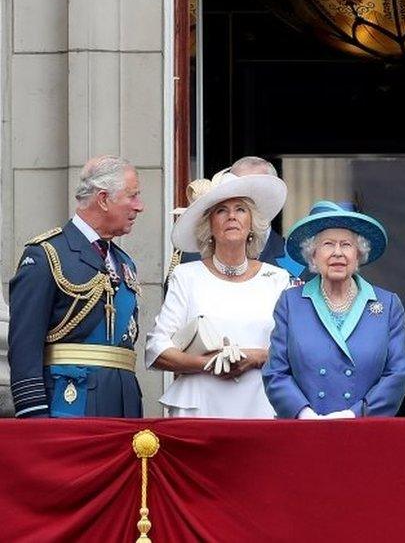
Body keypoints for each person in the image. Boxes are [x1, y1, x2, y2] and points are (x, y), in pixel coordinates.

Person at [8, 155, 145, 418]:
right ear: (103, 199)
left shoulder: (124, 262)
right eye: (132, 196)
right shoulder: (46, 254)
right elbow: (25, 345)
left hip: (123, 405)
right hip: (70, 404)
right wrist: (34, 417)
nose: (140, 207)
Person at [145, 170, 290, 417]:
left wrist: (253, 357)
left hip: (260, 407)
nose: (232, 216)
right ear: (209, 226)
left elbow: (294, 351)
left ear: (252, 224)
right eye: (221, 210)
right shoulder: (186, 275)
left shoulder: (278, 279)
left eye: (240, 209)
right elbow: (157, 349)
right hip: (199, 407)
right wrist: (210, 364)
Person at [263, 201, 405, 418]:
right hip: (305, 431)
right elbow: (275, 372)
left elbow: (398, 374)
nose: (337, 253)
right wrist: (303, 414)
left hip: (364, 430)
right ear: (312, 255)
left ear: (359, 254)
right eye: (328, 244)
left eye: (347, 245)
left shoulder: (387, 305)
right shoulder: (291, 303)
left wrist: (354, 415)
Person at [166, 156, 304, 283]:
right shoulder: (190, 260)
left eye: (252, 191)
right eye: (233, 187)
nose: (232, 215)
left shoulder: (296, 260)